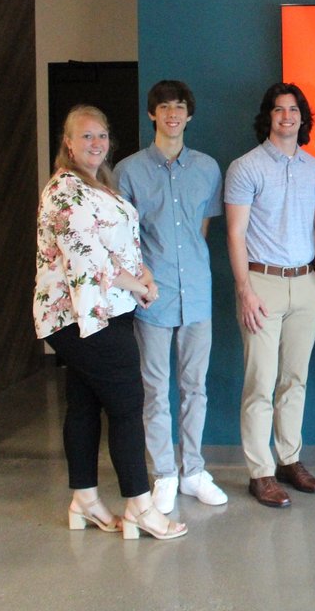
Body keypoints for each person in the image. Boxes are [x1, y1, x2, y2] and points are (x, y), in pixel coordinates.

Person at [33, 105, 187, 540]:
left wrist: (144, 275)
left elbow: (121, 245)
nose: (96, 143)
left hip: (107, 312)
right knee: (127, 406)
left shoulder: (98, 184)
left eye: (101, 135)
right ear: (68, 143)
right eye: (86, 136)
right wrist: (138, 286)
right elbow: (88, 258)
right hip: (79, 316)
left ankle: (84, 502)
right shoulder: (64, 189)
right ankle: (140, 506)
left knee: (84, 404)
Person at [114, 80, 226, 514]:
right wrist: (142, 282)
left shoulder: (207, 168)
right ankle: (164, 473)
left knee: (195, 387)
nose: (172, 114)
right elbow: (123, 239)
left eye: (179, 107)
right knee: (155, 389)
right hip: (152, 295)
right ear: (152, 114)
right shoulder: (129, 171)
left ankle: (193, 471)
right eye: (164, 107)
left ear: (188, 114)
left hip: (196, 292)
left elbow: (202, 228)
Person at [224, 83, 315, 509]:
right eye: (279, 109)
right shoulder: (245, 167)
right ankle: (260, 472)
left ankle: (289, 460)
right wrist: (244, 289)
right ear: (268, 116)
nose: (287, 116)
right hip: (261, 284)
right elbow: (235, 233)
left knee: (295, 380)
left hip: (306, 283)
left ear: (303, 117)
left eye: (294, 109)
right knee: (260, 383)